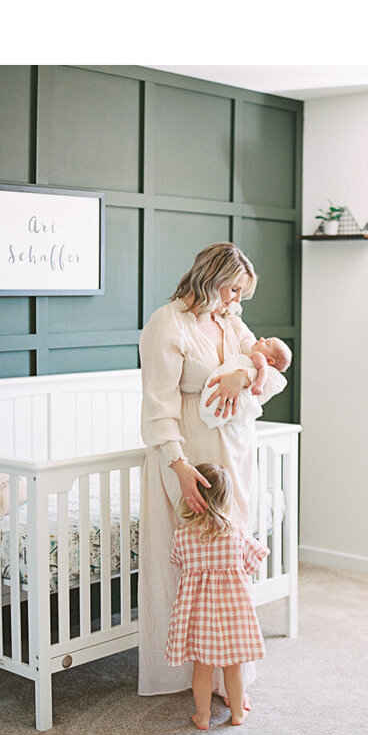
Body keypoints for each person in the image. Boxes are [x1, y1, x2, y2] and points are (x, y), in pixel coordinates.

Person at [139, 243, 287, 706]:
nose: (236, 302)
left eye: (241, 295)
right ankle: (184, 671)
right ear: (209, 278)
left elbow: (272, 366)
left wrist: (244, 375)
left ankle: (229, 675)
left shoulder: (230, 321)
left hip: (236, 449)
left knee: (229, 562)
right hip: (190, 451)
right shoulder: (169, 323)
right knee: (193, 562)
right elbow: (159, 402)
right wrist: (177, 465)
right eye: (232, 291)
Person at [165, 463, 269, 728]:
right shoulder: (235, 532)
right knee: (233, 667)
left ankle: (202, 717)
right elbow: (255, 560)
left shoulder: (183, 535)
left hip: (199, 615)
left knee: (202, 668)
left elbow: (178, 562)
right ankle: (236, 714)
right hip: (233, 612)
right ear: (226, 499)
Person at [197, 336, 292, 431]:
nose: (262, 339)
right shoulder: (252, 356)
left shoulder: (259, 356)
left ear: (269, 360)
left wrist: (259, 384)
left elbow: (263, 369)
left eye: (267, 343)